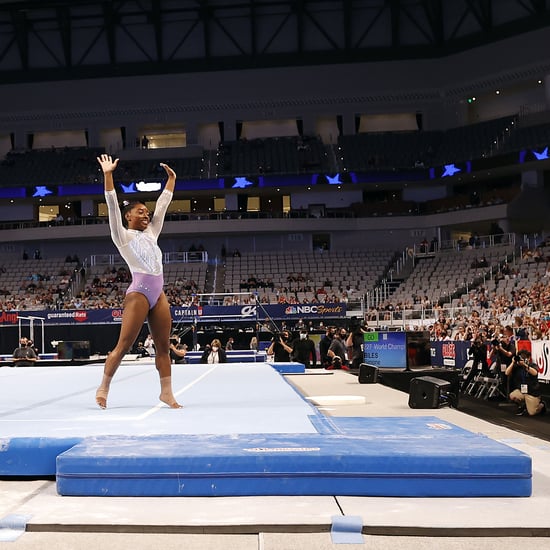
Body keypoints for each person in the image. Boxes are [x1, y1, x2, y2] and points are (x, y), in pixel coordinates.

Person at [94, 154, 182, 409]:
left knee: (164, 347)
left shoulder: (152, 233)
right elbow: (111, 204)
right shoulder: (122, 236)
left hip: (158, 293)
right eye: (141, 212)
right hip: (139, 293)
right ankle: (103, 388)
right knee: (124, 345)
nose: (147, 215)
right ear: (128, 216)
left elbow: (163, 205)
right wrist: (108, 174)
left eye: (147, 212)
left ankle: (166, 392)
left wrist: (171, 180)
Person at [505, 349, 546, 416]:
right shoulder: (517, 367)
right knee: (512, 396)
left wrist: (525, 365)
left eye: (523, 358)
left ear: (528, 358)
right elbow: (507, 373)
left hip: (532, 392)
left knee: (532, 412)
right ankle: (522, 405)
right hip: (522, 391)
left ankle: (542, 404)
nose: (521, 360)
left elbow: (535, 373)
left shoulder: (532, 365)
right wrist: (513, 362)